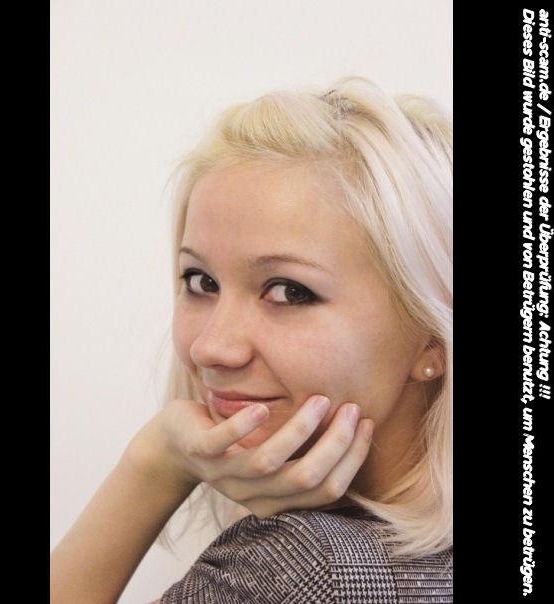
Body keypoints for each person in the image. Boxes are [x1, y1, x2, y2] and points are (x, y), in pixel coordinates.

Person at [51, 76, 453, 603]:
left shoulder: (301, 565)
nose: (211, 348)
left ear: (431, 337)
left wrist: (152, 466)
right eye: (201, 282)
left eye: (288, 291)